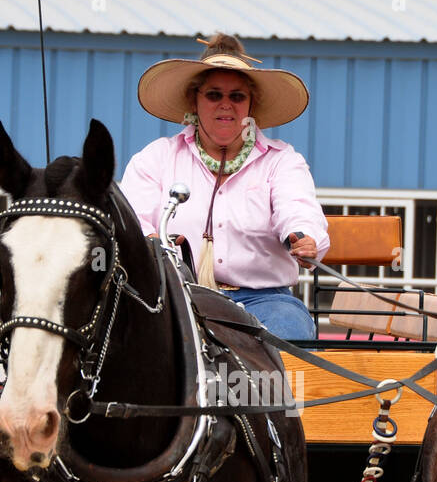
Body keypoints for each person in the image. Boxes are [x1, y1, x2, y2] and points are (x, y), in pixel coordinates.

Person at [120, 34, 328, 340]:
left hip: (266, 301)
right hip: (178, 297)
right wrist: (149, 242)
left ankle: (263, 391)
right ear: (195, 100)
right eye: (214, 95)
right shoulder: (157, 157)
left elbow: (296, 208)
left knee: (289, 331)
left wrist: (303, 237)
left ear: (251, 104)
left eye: (237, 96)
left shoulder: (281, 161)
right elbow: (131, 220)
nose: (225, 106)